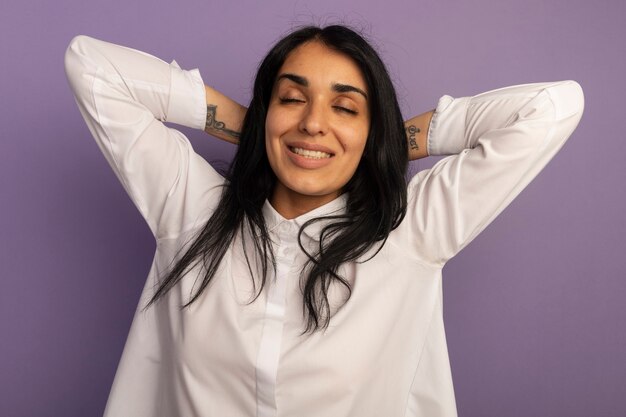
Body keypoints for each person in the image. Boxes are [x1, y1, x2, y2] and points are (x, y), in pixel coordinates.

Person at [64, 25, 583, 417]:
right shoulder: (192, 207)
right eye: (291, 99)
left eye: (345, 108)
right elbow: (92, 67)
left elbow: (552, 107)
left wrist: (371, 147)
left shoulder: (411, 229)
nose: (313, 121)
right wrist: (262, 131)